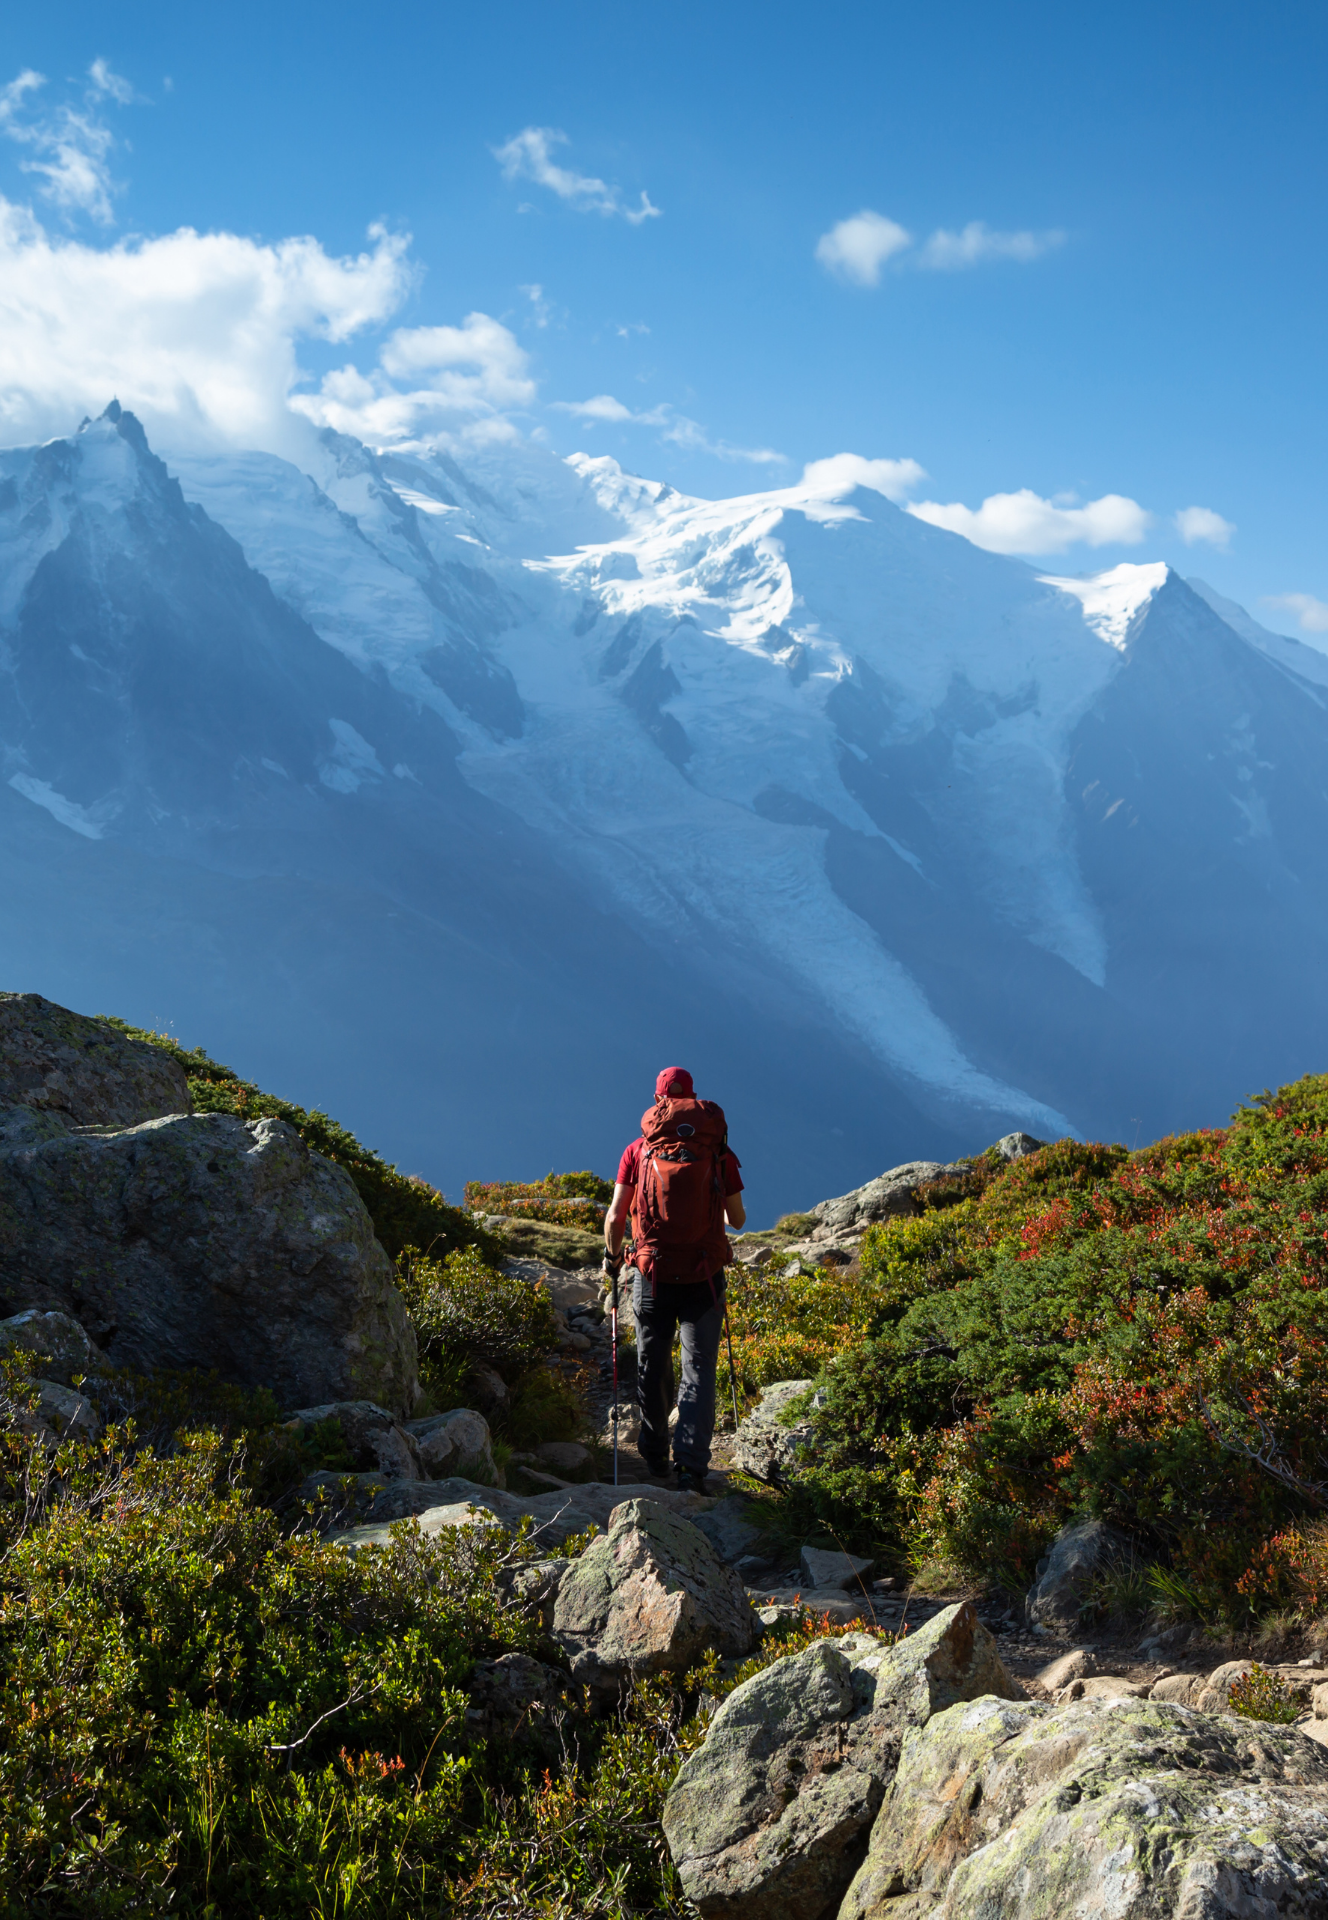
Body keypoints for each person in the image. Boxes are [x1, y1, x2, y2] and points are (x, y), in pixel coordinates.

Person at [602, 1066, 745, 1493]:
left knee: (652, 1362)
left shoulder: (638, 1149)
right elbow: (737, 1220)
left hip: (652, 1273)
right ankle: (691, 1467)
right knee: (698, 1369)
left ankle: (654, 1452)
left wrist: (612, 1259)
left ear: (658, 1100)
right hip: (704, 1274)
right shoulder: (719, 1150)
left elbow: (614, 1217)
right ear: (694, 1098)